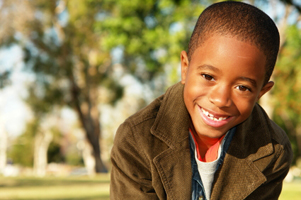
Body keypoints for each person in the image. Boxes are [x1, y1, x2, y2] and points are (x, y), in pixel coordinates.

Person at [110, 1, 293, 200]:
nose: (221, 99)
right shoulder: (138, 139)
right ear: (185, 68)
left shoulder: (273, 150)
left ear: (261, 93)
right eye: (208, 76)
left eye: (243, 88)